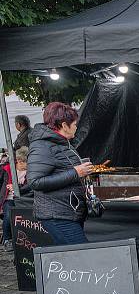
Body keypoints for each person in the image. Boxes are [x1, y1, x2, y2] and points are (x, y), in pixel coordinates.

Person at [27, 102, 94, 245]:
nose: (76, 127)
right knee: (84, 253)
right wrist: (75, 172)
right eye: (75, 124)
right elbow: (35, 182)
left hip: (68, 211)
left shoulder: (61, 143)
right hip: (56, 215)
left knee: (72, 257)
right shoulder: (43, 146)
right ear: (64, 125)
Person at [2, 147, 31, 250]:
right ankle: (7, 239)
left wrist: (17, 188)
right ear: (19, 161)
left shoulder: (30, 171)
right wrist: (8, 187)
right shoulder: (6, 169)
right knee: (9, 214)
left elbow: (29, 187)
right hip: (8, 198)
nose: (28, 165)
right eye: (26, 162)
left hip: (24, 198)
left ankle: (27, 238)